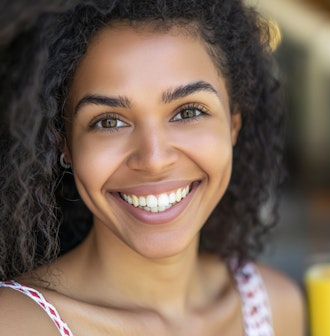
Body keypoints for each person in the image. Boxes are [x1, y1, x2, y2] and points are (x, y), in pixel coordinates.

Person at [0, 0, 305, 335]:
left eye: (188, 112)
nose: (154, 159)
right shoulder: (17, 324)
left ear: (233, 125)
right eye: (109, 121)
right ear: (65, 144)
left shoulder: (275, 306)